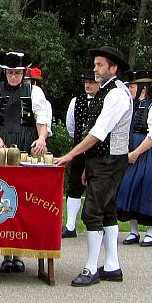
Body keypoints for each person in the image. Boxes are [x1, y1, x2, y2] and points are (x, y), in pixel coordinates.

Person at [56, 46, 132, 287]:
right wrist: (89, 164)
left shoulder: (117, 94)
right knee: (108, 210)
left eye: (100, 65)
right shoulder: (107, 90)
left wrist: (70, 155)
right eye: (95, 64)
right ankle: (112, 266)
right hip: (102, 159)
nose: (95, 69)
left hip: (111, 158)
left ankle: (90, 269)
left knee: (92, 212)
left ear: (113, 68)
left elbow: (99, 132)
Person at [0, 51, 50, 273]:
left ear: (23, 73)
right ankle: (4, 252)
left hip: (25, 141)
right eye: (10, 73)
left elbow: (42, 120)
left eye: (18, 73)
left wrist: (41, 138)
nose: (13, 77)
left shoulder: (34, 92)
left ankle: (18, 252)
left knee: (22, 196)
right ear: (5, 72)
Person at [115, 70, 152, 247]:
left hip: (149, 153)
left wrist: (136, 153)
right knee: (128, 187)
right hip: (131, 149)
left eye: (133, 86)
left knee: (148, 189)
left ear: (144, 88)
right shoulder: (133, 107)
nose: (130, 89)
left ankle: (150, 233)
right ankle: (133, 231)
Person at [63, 72, 101, 238]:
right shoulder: (76, 101)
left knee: (99, 187)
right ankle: (70, 225)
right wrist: (79, 143)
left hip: (100, 151)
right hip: (79, 150)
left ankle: (101, 224)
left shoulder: (105, 101)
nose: (87, 85)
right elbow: (71, 126)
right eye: (86, 82)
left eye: (91, 82)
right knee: (74, 185)